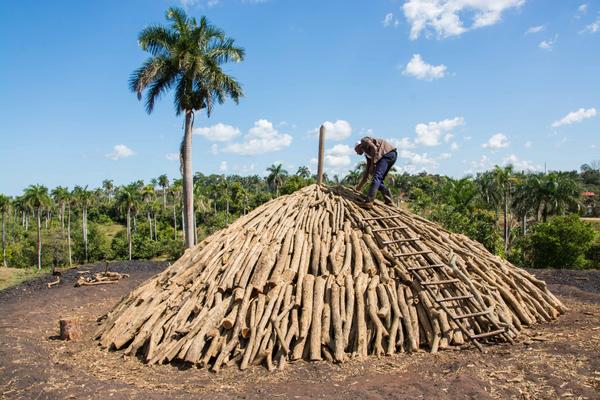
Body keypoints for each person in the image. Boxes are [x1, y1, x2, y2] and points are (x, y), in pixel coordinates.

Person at [354, 136, 397, 207]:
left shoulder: (364, 141)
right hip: (392, 155)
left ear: (358, 146)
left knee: (376, 178)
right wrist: (359, 187)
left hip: (387, 154)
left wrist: (372, 164)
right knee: (379, 180)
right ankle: (389, 201)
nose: (357, 153)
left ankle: (369, 202)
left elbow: (374, 148)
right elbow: (367, 174)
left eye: (356, 150)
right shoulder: (368, 155)